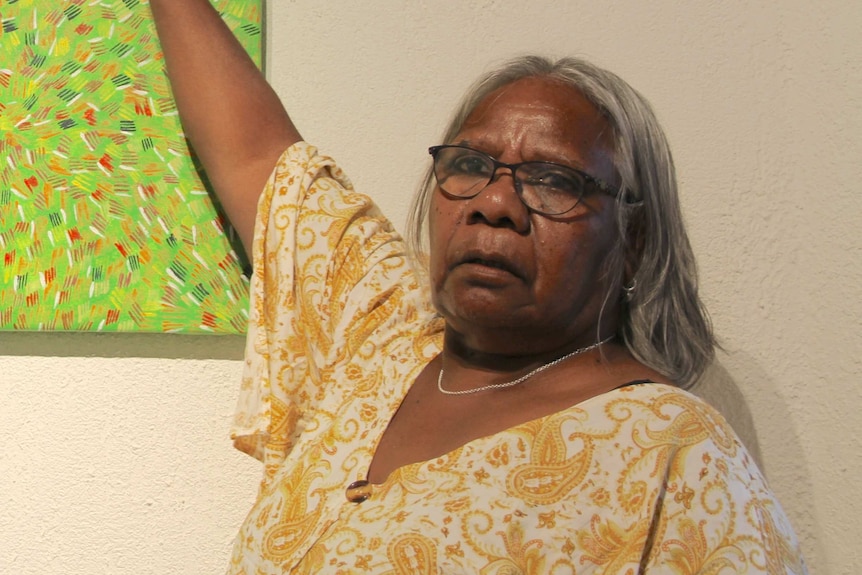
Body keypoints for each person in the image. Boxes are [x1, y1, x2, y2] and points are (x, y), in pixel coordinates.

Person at [151, 2, 807, 573]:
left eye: (553, 180)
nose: (494, 202)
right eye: (469, 164)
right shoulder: (378, 339)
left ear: (633, 243)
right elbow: (257, 156)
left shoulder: (677, 458)